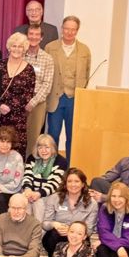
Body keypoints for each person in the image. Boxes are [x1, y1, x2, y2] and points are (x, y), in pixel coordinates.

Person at [45, 15, 91, 158]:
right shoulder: (50, 47)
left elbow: (87, 74)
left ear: (77, 31)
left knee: (73, 136)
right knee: (53, 135)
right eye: (66, 29)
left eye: (73, 29)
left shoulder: (84, 50)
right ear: (62, 29)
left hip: (74, 99)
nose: (69, 32)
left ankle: (70, 169)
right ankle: (52, 165)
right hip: (55, 98)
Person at [41, 168, 98, 257]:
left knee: (79, 242)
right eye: (69, 181)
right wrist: (54, 224)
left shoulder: (92, 203)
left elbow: (88, 231)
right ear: (65, 183)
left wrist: (71, 231)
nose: (73, 184)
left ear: (83, 184)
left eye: (76, 181)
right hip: (56, 237)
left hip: (79, 237)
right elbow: (45, 224)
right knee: (53, 238)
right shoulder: (54, 198)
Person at [0, 33, 35, 153]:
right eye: (14, 46)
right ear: (9, 47)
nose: (17, 49)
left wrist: (11, 107)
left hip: (17, 117)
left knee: (16, 146)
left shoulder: (29, 69)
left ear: (25, 49)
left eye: (20, 46)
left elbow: (28, 94)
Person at [22, 24, 54, 155]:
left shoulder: (47, 58)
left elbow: (47, 84)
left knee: (33, 137)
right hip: (19, 100)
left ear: (41, 38)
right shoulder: (20, 55)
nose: (33, 37)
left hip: (38, 103)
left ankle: (28, 166)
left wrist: (33, 102)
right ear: (27, 36)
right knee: (17, 135)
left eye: (37, 35)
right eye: (31, 34)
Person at [20, 135, 67, 220]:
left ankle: (38, 231)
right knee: (21, 200)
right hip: (31, 192)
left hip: (50, 194)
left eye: (47, 147)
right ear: (37, 149)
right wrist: (28, 190)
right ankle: (24, 230)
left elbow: (54, 184)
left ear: (53, 148)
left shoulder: (60, 161)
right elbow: (27, 176)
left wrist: (38, 194)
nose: (43, 151)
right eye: (40, 148)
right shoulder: (32, 158)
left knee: (38, 202)